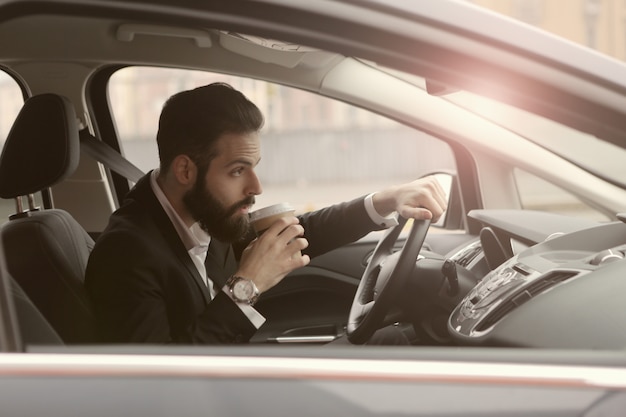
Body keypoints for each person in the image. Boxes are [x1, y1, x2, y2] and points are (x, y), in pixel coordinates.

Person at [84, 82, 447, 344]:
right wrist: (246, 287)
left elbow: (295, 234)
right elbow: (156, 389)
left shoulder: (199, 212)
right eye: (238, 170)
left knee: (390, 343)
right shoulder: (127, 254)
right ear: (185, 170)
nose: (256, 187)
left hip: (232, 377)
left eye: (254, 167)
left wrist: (382, 201)